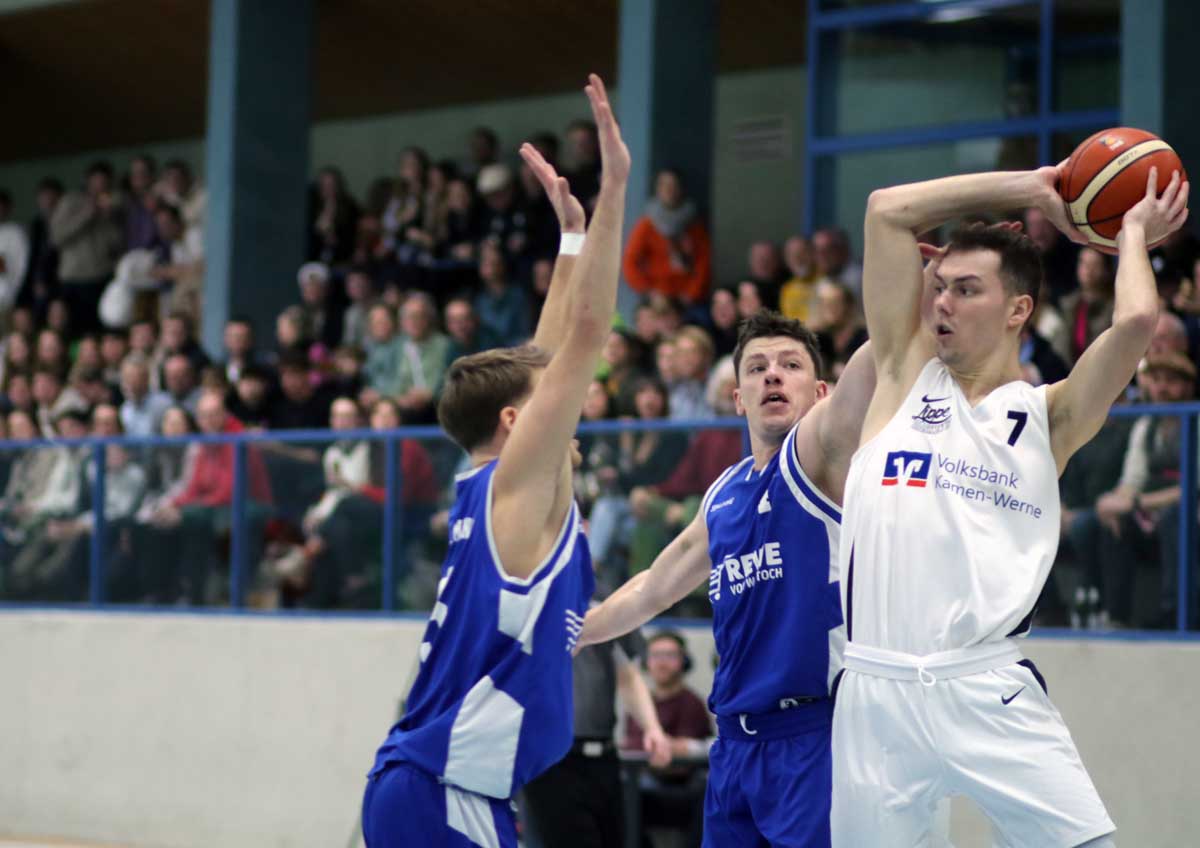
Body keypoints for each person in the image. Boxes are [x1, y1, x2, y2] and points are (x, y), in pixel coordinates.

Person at [832, 163, 1188, 846]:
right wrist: (1032, 188)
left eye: (967, 290)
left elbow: (1138, 319)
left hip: (984, 683)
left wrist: (1134, 233)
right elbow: (886, 208)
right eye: (939, 288)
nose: (942, 304)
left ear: (1018, 309)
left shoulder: (1048, 414)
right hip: (874, 690)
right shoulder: (902, 374)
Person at [360, 75, 634, 848]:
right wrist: (615, 190)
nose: (566, 406)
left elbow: (545, 354)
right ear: (517, 421)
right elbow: (582, 337)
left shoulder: (491, 484)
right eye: (547, 401)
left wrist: (572, 237)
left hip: (455, 793)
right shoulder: (517, 487)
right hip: (437, 793)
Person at [578, 309, 878, 846]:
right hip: (735, 745)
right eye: (757, 367)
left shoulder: (824, 457)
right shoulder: (723, 493)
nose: (773, 375)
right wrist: (577, 631)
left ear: (821, 392)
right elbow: (652, 586)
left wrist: (926, 287)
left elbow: (879, 358)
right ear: (738, 398)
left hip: (814, 735)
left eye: (791, 365)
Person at [522, 625, 670, 848]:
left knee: (613, 838)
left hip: (604, 755)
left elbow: (628, 674)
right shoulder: (537, 600)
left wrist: (652, 727)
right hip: (551, 758)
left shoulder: (607, 598)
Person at [622, 630, 714, 848]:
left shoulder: (691, 704)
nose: (662, 663)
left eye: (670, 656)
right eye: (656, 656)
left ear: (684, 662)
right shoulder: (638, 705)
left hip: (677, 791)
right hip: (640, 783)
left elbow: (679, 762)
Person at [622, 169, 712, 305]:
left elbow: (704, 261)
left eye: (673, 185)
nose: (669, 190)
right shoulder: (648, 224)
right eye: (664, 185)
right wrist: (649, 291)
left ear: (681, 189)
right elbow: (630, 261)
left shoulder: (693, 223)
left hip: (687, 297)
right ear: (657, 189)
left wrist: (691, 293)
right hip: (658, 296)